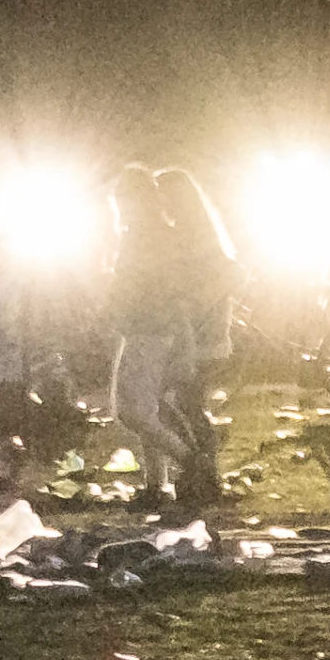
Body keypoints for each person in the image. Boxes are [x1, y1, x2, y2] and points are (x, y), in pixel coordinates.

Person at [104, 164, 239, 508]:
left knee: (141, 411)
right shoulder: (158, 233)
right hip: (154, 328)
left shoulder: (153, 236)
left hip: (155, 328)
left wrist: (187, 328)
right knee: (154, 409)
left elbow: (164, 288)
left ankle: (190, 467)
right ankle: (161, 483)